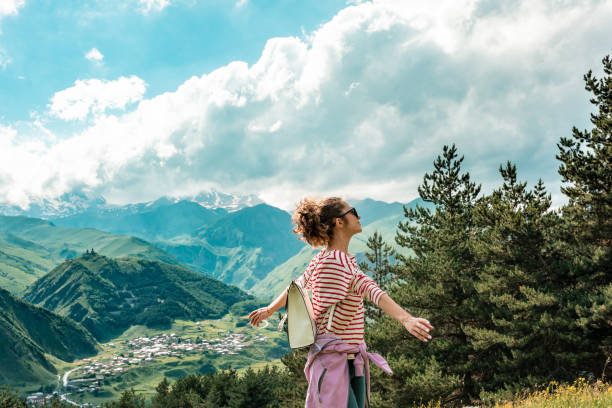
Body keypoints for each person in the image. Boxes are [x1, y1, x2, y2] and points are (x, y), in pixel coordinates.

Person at [249, 197, 434, 408]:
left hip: (347, 359)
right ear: (339, 221)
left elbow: (297, 286)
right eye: (353, 212)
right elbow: (372, 291)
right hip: (335, 362)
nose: (359, 216)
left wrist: (270, 309)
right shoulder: (336, 261)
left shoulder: (327, 258)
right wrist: (406, 319)